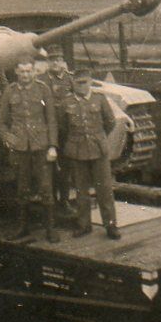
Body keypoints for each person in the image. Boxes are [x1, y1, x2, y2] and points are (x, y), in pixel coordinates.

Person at [0, 59, 59, 242]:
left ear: (34, 72)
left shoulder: (43, 89)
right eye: (22, 71)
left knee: (46, 187)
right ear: (17, 72)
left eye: (28, 71)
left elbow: (51, 120)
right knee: (22, 187)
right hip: (20, 147)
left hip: (41, 145)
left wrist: (53, 146)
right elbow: (1, 123)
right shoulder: (10, 91)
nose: (25, 75)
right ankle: (22, 227)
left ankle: (50, 229)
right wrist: (9, 139)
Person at [60, 68, 120, 240]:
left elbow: (110, 122)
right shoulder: (66, 103)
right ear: (73, 83)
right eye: (78, 83)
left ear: (90, 82)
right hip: (77, 151)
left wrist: (99, 138)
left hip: (98, 151)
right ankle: (84, 225)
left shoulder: (99, 99)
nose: (81, 86)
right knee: (81, 191)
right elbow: (63, 126)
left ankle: (110, 225)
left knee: (105, 190)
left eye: (84, 82)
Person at [38, 46, 75, 211]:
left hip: (66, 129)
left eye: (58, 60)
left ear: (63, 62)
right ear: (47, 62)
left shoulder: (70, 79)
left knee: (66, 167)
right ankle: (50, 200)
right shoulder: (42, 80)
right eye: (52, 59)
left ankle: (65, 200)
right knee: (49, 166)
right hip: (48, 129)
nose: (55, 63)